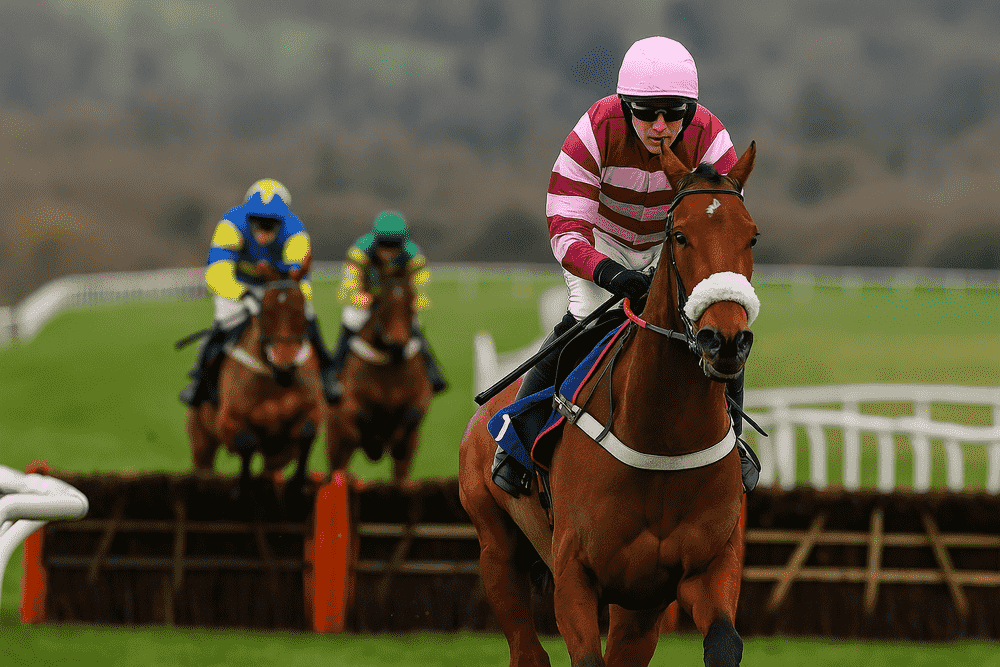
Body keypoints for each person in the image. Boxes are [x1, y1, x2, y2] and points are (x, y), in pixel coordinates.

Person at [491, 36, 756, 496]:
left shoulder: (711, 139)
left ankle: (735, 437)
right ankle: (515, 438)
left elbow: (722, 226)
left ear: (689, 111)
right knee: (583, 320)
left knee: (718, 322)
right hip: (601, 241)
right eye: (645, 113)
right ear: (624, 105)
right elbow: (567, 228)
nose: (660, 127)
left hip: (671, 246)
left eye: (673, 114)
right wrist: (611, 274)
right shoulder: (596, 129)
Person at [179, 178, 340, 406]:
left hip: (278, 288)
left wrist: (292, 300)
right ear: (247, 216)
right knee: (223, 324)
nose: (263, 227)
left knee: (308, 317)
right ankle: (199, 382)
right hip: (239, 286)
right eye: (257, 220)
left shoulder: (296, 232)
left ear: (282, 220)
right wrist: (244, 296)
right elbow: (216, 274)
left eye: (271, 222)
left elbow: (300, 281)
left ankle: (327, 374)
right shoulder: (231, 224)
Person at [326, 209, 448, 401]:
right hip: (368, 300)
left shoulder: (412, 253)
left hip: (395, 303)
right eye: (384, 245)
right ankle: (334, 374)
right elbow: (349, 279)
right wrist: (358, 296)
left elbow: (421, 279)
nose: (388, 252)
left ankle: (433, 372)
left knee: (414, 326)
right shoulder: (360, 250)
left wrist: (417, 296)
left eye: (393, 246)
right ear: (375, 239)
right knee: (350, 321)